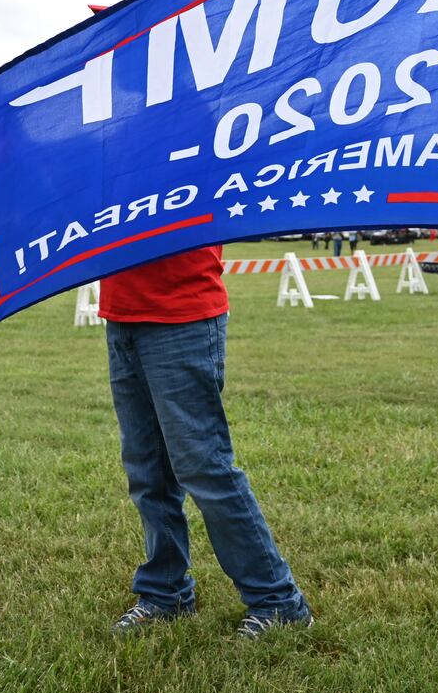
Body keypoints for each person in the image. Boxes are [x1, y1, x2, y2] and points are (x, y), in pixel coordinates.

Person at [100, 246, 312, 638]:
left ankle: (278, 600)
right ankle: (166, 593)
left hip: (182, 315)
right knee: (147, 471)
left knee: (204, 466)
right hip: (122, 315)